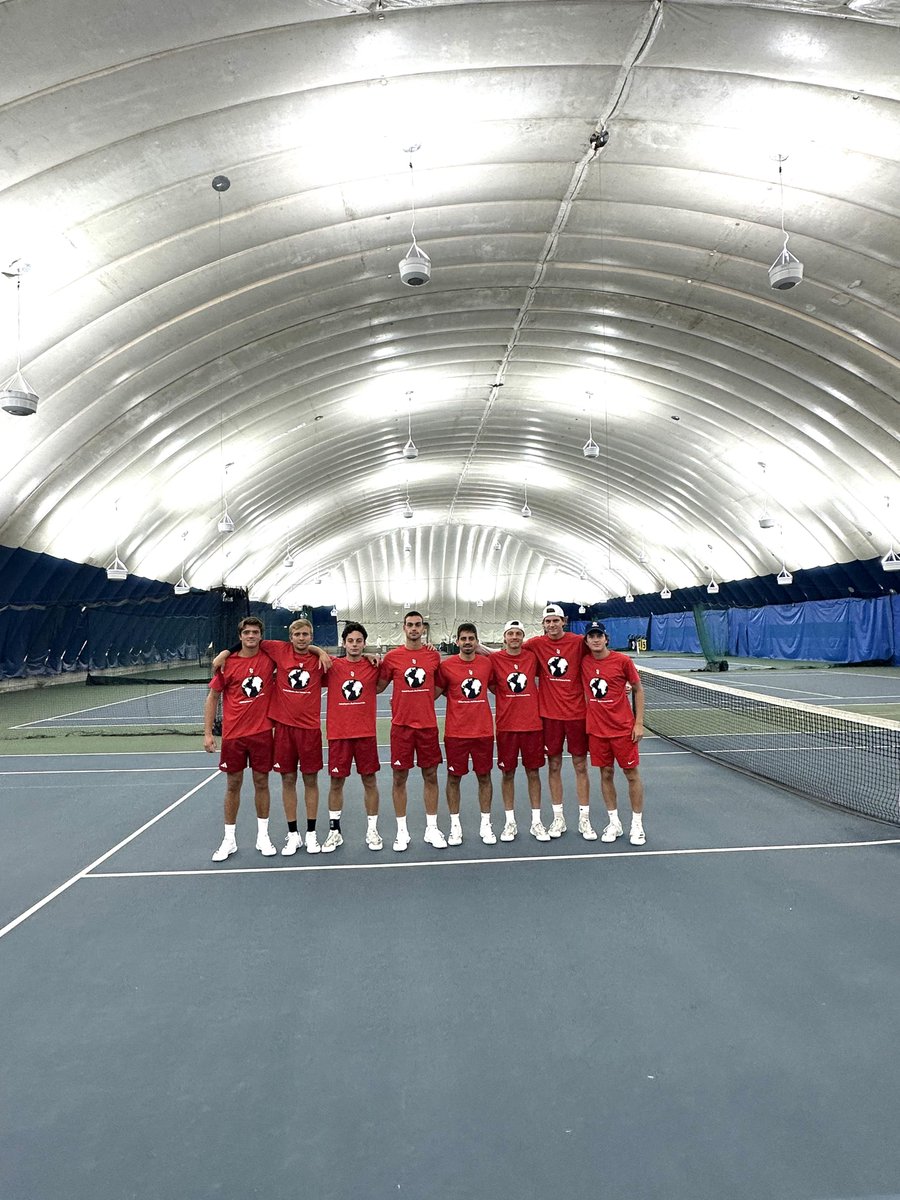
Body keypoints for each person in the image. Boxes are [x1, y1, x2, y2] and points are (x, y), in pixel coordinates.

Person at [213, 618, 329, 855]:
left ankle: (310, 835)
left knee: (304, 781)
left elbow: (351, 662)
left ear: (311, 636)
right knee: (275, 781)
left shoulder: (318, 661)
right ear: (290, 637)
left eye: (306, 634)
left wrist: (322, 651)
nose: (302, 638)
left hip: (301, 731)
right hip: (279, 730)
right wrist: (225, 652)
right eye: (297, 634)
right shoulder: (276, 650)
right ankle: (290, 835)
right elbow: (251, 643)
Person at [204, 616, 277, 861]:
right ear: (240, 636)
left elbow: (297, 646)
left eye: (255, 632)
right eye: (247, 632)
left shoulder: (269, 659)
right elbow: (213, 697)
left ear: (261, 635)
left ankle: (263, 836)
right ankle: (229, 840)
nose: (251, 636)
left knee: (262, 784)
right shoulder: (227, 664)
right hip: (233, 736)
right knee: (233, 786)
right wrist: (207, 734)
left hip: (262, 734)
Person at [524, 604, 595, 839]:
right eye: (548, 621)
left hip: (577, 715)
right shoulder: (535, 644)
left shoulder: (578, 642)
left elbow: (599, 659)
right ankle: (558, 818)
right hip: (550, 717)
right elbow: (508, 652)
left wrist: (622, 682)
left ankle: (584, 819)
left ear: (563, 621)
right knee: (553, 765)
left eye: (556, 621)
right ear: (543, 624)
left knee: (580, 766)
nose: (552, 625)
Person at [377, 610, 445, 851]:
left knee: (431, 776)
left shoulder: (433, 657)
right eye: (410, 625)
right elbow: (377, 687)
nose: (414, 629)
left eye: (418, 625)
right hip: (401, 728)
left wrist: (424, 700)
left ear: (423, 628)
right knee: (399, 778)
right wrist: (367, 659)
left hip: (427, 727)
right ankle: (402, 832)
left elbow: (440, 685)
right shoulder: (393, 657)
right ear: (403, 628)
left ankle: (432, 828)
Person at [581, 621, 647, 845]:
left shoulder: (623, 661)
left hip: (623, 730)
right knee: (605, 774)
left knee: (631, 775)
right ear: (587, 641)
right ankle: (614, 822)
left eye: (599, 635)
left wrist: (638, 723)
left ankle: (637, 825)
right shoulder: (584, 663)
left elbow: (637, 689)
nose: (596, 639)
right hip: (597, 732)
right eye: (592, 636)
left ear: (606, 638)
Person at [322, 621, 383, 851]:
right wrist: (319, 650)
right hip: (339, 735)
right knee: (336, 782)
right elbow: (304, 651)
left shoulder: (374, 666)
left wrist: (371, 656)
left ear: (364, 643)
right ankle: (334, 831)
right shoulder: (331, 666)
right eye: (350, 641)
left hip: (365, 734)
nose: (355, 644)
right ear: (344, 643)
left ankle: (372, 830)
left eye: (359, 641)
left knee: (370, 781)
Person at [489, 619, 551, 841]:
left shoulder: (533, 657)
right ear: (504, 637)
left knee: (533, 773)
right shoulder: (495, 659)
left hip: (533, 726)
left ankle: (536, 822)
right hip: (506, 727)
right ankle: (510, 823)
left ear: (523, 637)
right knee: (508, 774)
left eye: (518, 634)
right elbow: (489, 682)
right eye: (510, 634)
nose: (514, 637)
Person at [435, 622, 496, 845]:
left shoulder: (487, 664)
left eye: (471, 638)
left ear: (476, 641)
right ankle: (455, 826)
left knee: (484, 777)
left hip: (483, 732)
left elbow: (497, 688)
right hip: (456, 733)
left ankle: (486, 825)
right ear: (457, 641)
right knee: (454, 778)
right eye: (464, 639)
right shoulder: (447, 666)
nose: (468, 642)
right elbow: (437, 692)